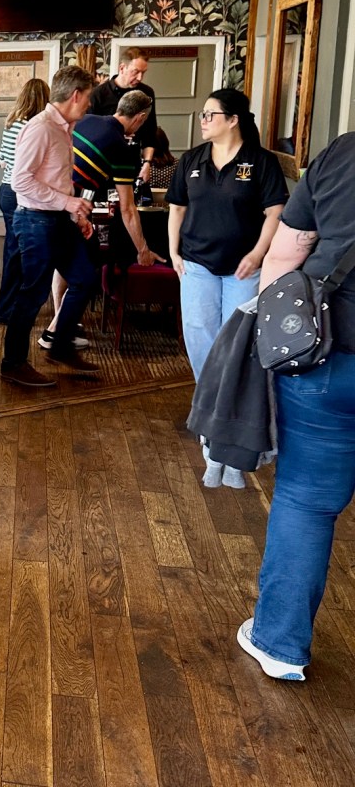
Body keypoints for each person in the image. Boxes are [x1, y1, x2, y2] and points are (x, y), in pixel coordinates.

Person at [236, 133, 355, 681]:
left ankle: (280, 645)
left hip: (331, 356)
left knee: (306, 502)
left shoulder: (345, 153)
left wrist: (276, 344)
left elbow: (285, 255)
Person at [167, 88, 287, 488]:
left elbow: (275, 212)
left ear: (233, 119)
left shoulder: (261, 162)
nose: (203, 121)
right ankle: (212, 434)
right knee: (201, 343)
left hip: (242, 270)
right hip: (197, 266)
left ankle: (233, 444)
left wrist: (258, 254)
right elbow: (177, 208)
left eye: (210, 115)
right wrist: (174, 251)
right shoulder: (192, 160)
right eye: (203, 115)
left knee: (237, 349)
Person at [37, 89, 165, 348]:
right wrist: (143, 249)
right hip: (69, 209)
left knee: (68, 263)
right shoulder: (122, 148)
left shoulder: (86, 120)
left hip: (50, 201)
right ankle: (56, 330)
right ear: (140, 118)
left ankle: (63, 320)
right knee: (88, 264)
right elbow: (127, 209)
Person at [0, 65, 100, 388]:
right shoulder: (40, 127)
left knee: (85, 278)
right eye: (88, 97)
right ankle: (13, 363)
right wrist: (68, 203)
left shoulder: (64, 128)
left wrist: (75, 214)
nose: (90, 104)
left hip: (57, 218)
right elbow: (20, 181)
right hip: (35, 221)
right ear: (76, 95)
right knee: (33, 293)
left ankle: (60, 346)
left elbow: (56, 180)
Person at [0, 79, 49, 324]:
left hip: (6, 191)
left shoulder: (12, 123)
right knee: (22, 254)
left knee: (14, 251)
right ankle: (10, 311)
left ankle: (8, 308)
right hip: (21, 193)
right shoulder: (34, 127)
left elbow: (3, 161)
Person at [89, 48, 158, 180]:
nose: (140, 78)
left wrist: (147, 163)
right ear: (122, 68)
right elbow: (90, 133)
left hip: (132, 162)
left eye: (143, 73)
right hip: (103, 164)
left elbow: (150, 131)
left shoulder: (147, 93)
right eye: (135, 72)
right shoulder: (98, 94)